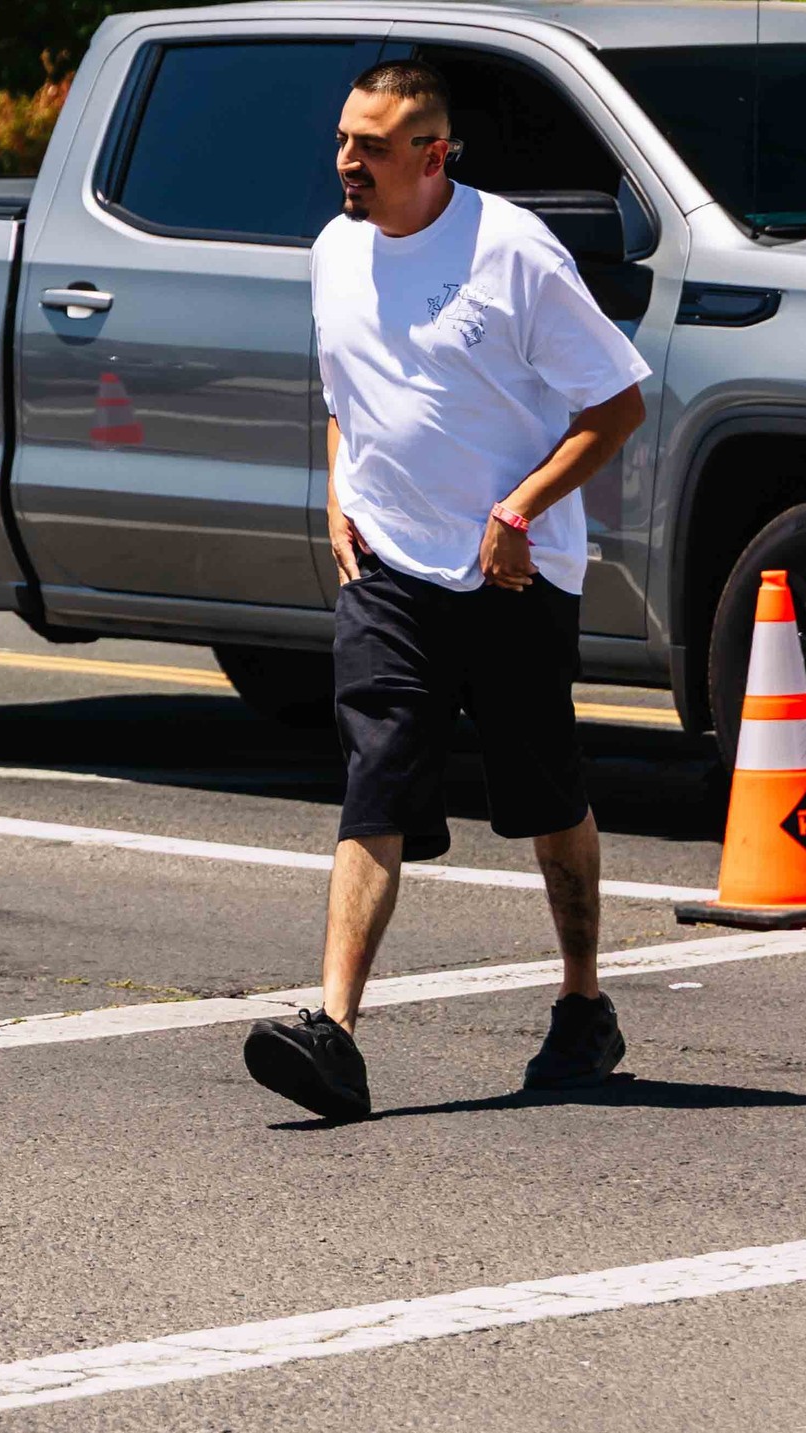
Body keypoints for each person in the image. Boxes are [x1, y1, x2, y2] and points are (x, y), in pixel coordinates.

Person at [243, 61, 653, 1122]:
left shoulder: (512, 254)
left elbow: (615, 407)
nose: (345, 163)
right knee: (377, 770)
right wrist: (339, 491)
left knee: (544, 792)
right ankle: (333, 1031)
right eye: (342, 141)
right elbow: (346, 390)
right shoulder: (336, 251)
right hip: (387, 568)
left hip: (510, 573)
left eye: (370, 148)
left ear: (432, 155)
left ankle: (582, 1004)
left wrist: (518, 510)